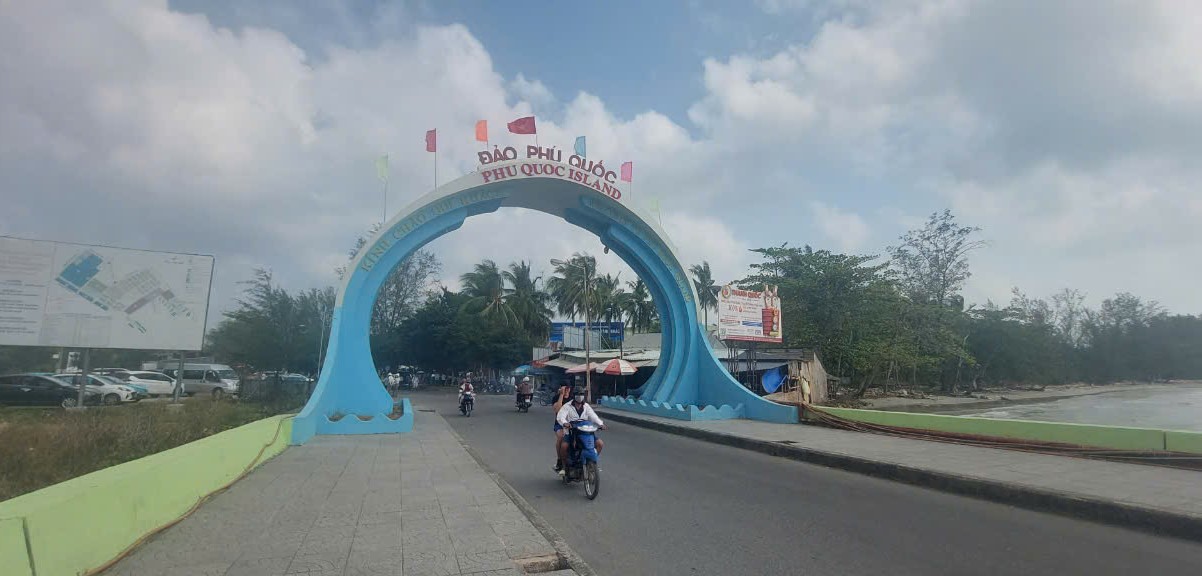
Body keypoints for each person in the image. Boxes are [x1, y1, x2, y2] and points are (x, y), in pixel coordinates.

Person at [555, 389, 605, 476]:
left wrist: (600, 424)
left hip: (586, 431)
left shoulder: (586, 406)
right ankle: (563, 467)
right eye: (578, 394)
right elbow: (560, 416)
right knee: (564, 446)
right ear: (574, 396)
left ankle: (593, 463)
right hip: (572, 431)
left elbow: (593, 416)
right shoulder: (567, 406)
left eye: (581, 394)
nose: (580, 396)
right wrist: (565, 423)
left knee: (600, 443)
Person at [550, 383, 573, 472]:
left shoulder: (573, 398)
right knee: (560, 437)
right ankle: (559, 460)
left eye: (568, 388)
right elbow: (558, 410)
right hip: (559, 424)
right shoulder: (556, 398)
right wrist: (561, 395)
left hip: (571, 424)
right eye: (565, 388)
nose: (567, 390)